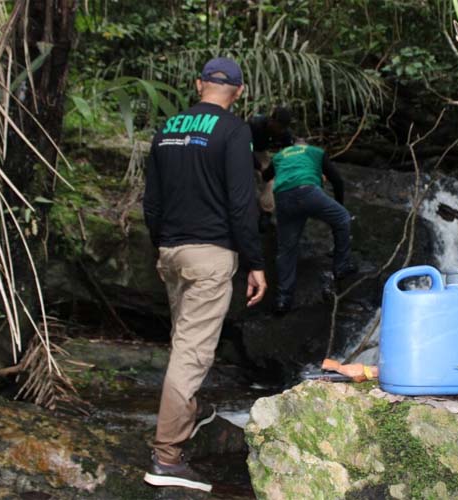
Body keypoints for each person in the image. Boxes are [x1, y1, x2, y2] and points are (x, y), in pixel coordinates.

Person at [142, 56, 267, 493]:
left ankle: (188, 415)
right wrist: (254, 262)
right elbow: (241, 203)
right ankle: (166, 455)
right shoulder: (234, 131)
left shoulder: (168, 129)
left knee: (184, 341)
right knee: (192, 353)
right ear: (239, 91)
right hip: (210, 254)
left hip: (172, 251)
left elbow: (152, 201)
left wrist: (162, 245)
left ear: (199, 84)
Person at [265, 138, 354, 314]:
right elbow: (337, 181)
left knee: (286, 249)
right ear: (305, 145)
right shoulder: (315, 152)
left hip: (283, 198)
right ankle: (341, 266)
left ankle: (283, 299)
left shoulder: (280, 155)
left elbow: (266, 176)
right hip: (308, 192)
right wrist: (339, 205)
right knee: (342, 218)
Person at [248, 107, 294, 231]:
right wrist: (258, 167)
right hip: (244, 150)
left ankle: (266, 213)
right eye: (279, 127)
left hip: (261, 152)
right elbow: (245, 148)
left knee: (270, 180)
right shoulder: (254, 124)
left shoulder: (285, 133)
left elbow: (288, 154)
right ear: (271, 120)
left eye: (284, 128)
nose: (281, 131)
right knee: (247, 178)